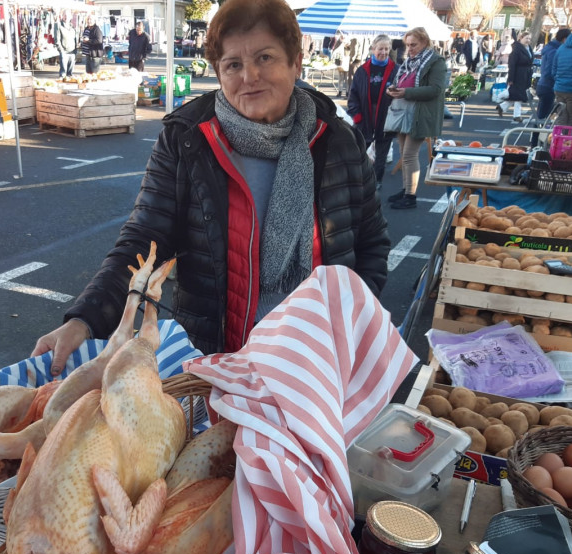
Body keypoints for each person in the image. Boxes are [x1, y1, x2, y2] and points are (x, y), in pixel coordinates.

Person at [31, 0, 390, 368]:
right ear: (219, 72)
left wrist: (353, 323)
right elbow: (143, 241)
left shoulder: (339, 141)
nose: (249, 76)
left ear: (295, 62)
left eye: (265, 58)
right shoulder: (187, 140)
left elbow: (371, 244)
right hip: (216, 360)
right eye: (233, 64)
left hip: (319, 359)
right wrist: (85, 319)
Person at [385, 27, 446, 211]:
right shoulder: (409, 62)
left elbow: (436, 90)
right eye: (407, 44)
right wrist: (393, 89)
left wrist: (406, 92)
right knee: (403, 154)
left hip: (421, 114)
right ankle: (405, 190)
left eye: (414, 44)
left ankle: (410, 196)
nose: (409, 48)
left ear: (425, 42)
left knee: (410, 155)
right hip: (404, 111)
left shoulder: (436, 62)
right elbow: (402, 82)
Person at [348, 34, 396, 191]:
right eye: (380, 48)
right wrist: (356, 115)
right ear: (373, 49)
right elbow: (353, 95)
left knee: (382, 153)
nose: (383, 52)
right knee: (359, 150)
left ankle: (376, 181)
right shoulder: (362, 70)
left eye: (386, 49)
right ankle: (358, 179)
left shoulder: (395, 70)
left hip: (386, 116)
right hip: (365, 116)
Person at [497, 31, 533, 122]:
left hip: (526, 74)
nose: (528, 40)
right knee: (519, 96)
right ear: (521, 38)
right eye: (526, 38)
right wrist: (511, 78)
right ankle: (516, 115)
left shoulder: (529, 48)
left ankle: (502, 106)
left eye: (529, 39)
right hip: (518, 74)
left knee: (517, 95)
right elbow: (512, 64)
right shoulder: (516, 49)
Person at [535, 28, 569, 123]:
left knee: (543, 113)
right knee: (543, 116)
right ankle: (536, 136)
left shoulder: (550, 48)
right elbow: (550, 71)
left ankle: (537, 135)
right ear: (564, 39)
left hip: (544, 84)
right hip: (548, 85)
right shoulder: (555, 51)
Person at [54, 13, 76, 78]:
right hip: (64, 51)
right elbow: (57, 40)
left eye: (68, 15)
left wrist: (75, 50)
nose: (66, 17)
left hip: (72, 51)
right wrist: (61, 50)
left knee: (70, 74)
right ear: (62, 16)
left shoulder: (72, 26)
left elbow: (74, 38)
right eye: (65, 15)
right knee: (63, 73)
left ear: (71, 17)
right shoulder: (58, 25)